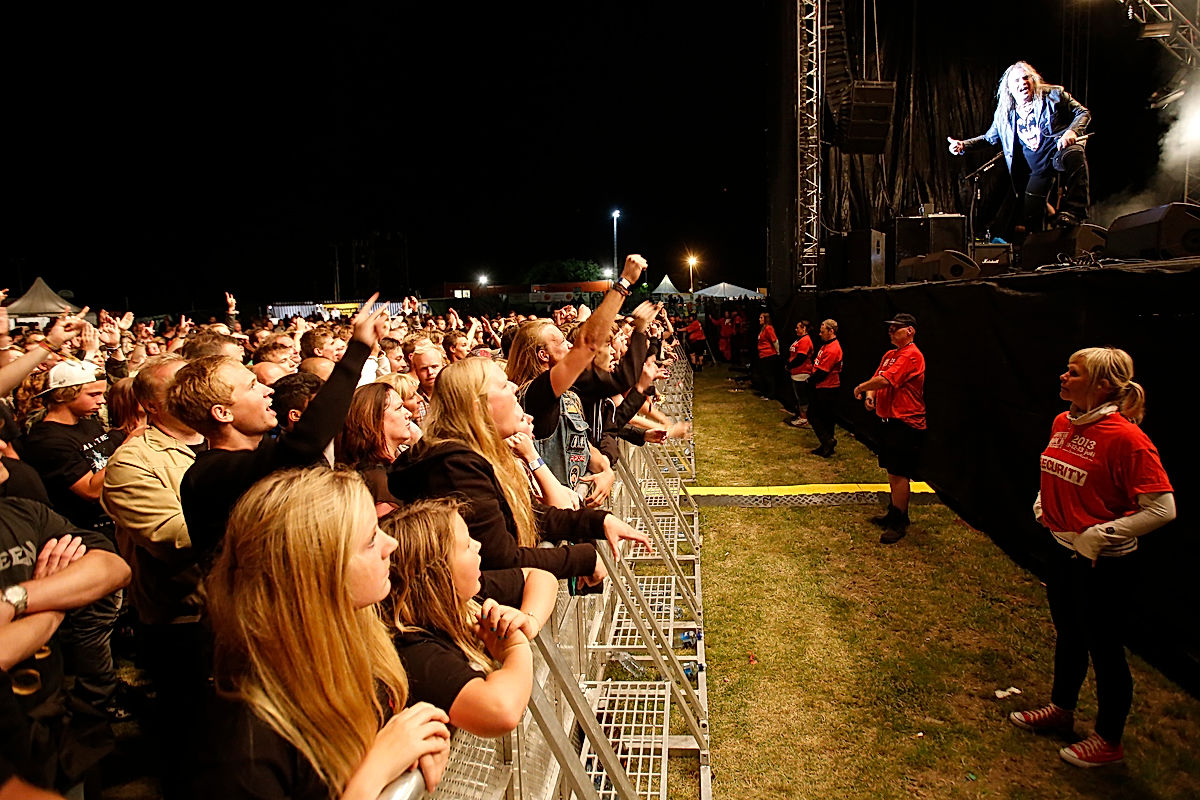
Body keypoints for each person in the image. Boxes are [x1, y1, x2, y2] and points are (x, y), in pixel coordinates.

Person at [196, 467, 451, 798]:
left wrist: (414, 748)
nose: (392, 543)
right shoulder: (245, 745)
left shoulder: (360, 643)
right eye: (371, 539)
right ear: (316, 574)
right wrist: (376, 771)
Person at [1008, 347, 1174, 768]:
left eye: (1074, 372)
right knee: (1068, 633)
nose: (1063, 377)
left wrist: (1101, 535)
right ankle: (1061, 709)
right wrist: (1043, 502)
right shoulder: (1062, 421)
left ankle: (1108, 738)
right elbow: (1054, 468)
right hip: (1061, 551)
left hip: (1105, 563)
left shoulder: (1127, 438)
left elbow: (1162, 508)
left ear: (1102, 385)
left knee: (1104, 647)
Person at [387, 358, 649, 584]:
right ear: (479, 408)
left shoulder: (473, 454)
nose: (514, 387)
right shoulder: (455, 467)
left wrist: (598, 522)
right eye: (502, 385)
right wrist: (584, 559)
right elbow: (500, 557)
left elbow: (525, 513)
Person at [383, 499, 557, 737]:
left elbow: (541, 578)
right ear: (438, 573)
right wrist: (515, 647)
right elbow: (501, 711)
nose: (478, 545)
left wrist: (529, 620)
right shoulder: (414, 649)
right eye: (466, 545)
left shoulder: (465, 596)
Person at [948, 61, 1091, 233]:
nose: (1023, 83)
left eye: (1026, 78)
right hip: (1035, 170)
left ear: (1034, 80)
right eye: (1017, 81)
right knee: (1031, 216)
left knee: (1075, 153)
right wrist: (963, 145)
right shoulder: (1004, 114)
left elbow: (1083, 113)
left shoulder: (1053, 95)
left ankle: (1075, 211)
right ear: (1009, 88)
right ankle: (1039, 252)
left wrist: (1072, 132)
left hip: (1057, 152)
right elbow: (989, 138)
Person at [853, 313, 926, 543]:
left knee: (899, 473)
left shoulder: (911, 356)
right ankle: (894, 512)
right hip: (889, 420)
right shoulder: (890, 355)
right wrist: (870, 395)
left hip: (905, 422)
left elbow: (886, 380)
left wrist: (861, 388)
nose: (891, 332)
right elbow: (880, 376)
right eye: (890, 328)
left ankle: (899, 521)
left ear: (910, 330)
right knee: (892, 472)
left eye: (896, 328)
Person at [807, 320, 842, 457]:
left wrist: (810, 381)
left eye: (823, 331)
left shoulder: (833, 348)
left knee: (814, 414)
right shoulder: (826, 346)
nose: (820, 334)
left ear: (831, 331)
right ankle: (826, 445)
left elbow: (823, 372)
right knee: (825, 418)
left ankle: (827, 441)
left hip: (827, 387)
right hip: (823, 386)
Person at [786, 320, 814, 427]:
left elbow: (801, 357)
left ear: (804, 329)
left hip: (802, 372)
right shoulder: (800, 339)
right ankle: (802, 416)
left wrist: (790, 365)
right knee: (799, 397)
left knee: (802, 397)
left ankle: (804, 419)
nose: (795, 329)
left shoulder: (805, 340)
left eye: (798, 327)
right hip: (796, 372)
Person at [753, 312, 781, 402]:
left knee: (769, 376)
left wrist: (777, 352)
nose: (759, 319)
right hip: (763, 355)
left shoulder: (769, 328)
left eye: (761, 318)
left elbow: (775, 340)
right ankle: (766, 393)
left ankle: (771, 394)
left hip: (769, 355)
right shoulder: (763, 329)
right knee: (765, 375)